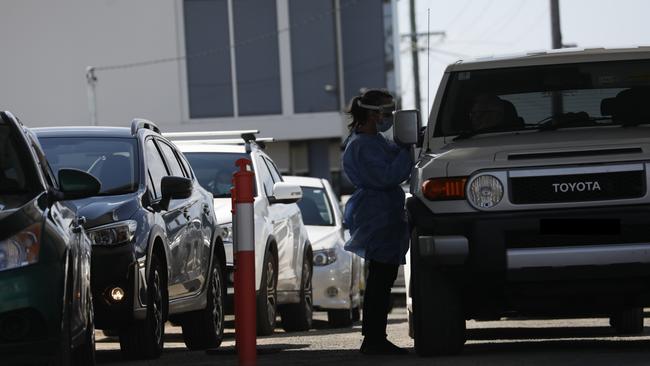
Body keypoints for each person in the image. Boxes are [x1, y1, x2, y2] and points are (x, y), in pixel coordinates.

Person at [342, 89, 412, 355]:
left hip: (383, 213)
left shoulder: (372, 140)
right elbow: (387, 175)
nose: (389, 118)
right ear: (373, 114)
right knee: (380, 280)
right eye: (386, 112)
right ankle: (373, 339)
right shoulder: (362, 145)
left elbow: (391, 155)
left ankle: (375, 337)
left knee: (382, 278)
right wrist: (406, 150)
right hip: (377, 215)